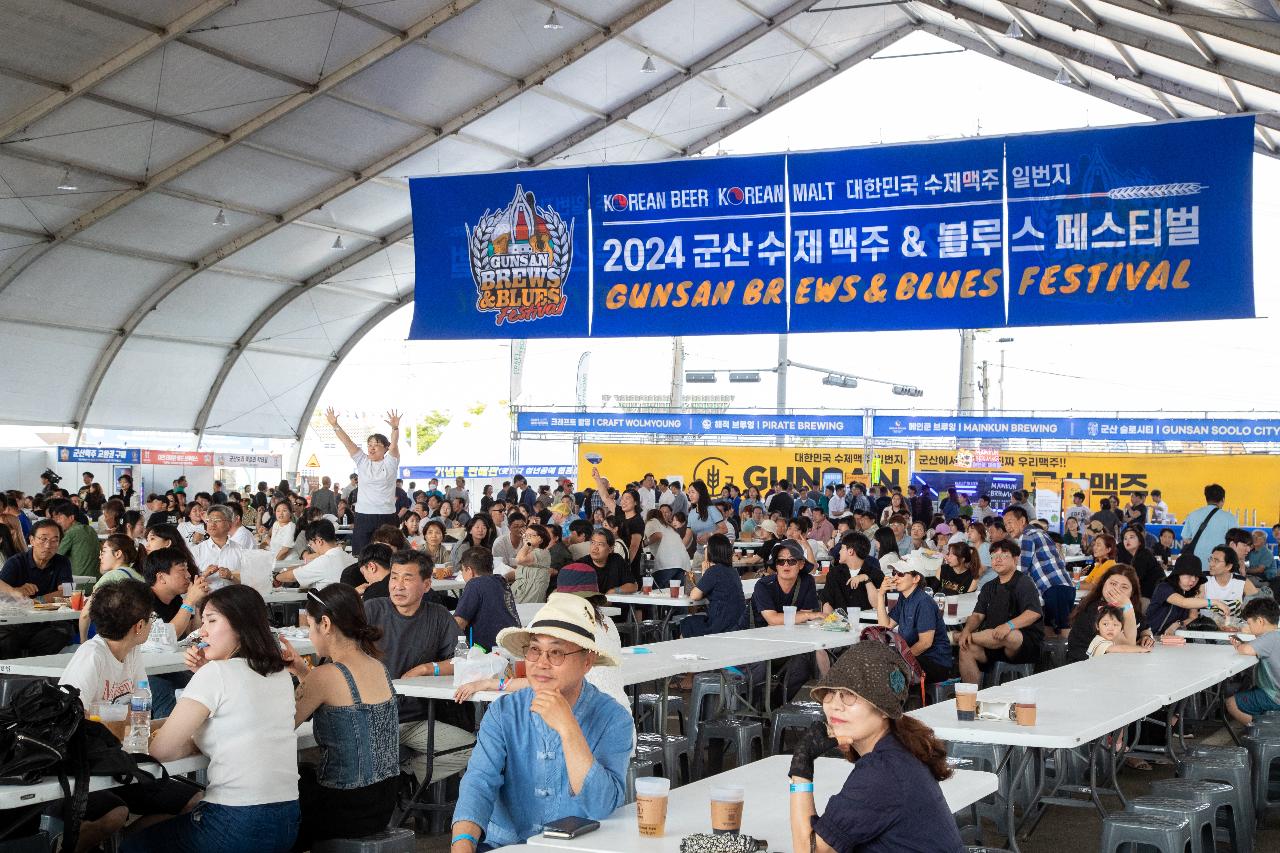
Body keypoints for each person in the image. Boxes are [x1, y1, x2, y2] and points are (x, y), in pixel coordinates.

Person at [123, 586, 298, 853]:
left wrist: (205, 675)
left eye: (212, 620)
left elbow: (162, 750)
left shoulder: (216, 674)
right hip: (288, 819)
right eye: (202, 621)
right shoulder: (280, 674)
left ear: (241, 625)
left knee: (135, 844)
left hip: (235, 820)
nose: (202, 631)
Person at [450, 595, 632, 850]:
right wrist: (463, 842)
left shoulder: (613, 718)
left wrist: (569, 728)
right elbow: (479, 781)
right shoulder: (504, 712)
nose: (541, 663)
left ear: (587, 662)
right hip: (506, 846)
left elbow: (601, 805)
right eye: (534, 650)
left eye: (556, 652)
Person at [787, 642, 963, 853]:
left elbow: (809, 850)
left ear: (883, 710)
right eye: (830, 692)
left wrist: (801, 766)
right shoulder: (897, 749)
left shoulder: (884, 771)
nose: (834, 704)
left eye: (848, 694)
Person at [276, 584, 398, 851]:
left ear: (326, 624)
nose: (309, 635)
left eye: (310, 626)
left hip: (345, 808)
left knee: (276, 799)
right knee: (305, 774)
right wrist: (301, 670)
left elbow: (278, 725)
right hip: (383, 802)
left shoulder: (325, 676)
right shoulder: (378, 667)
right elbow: (335, 694)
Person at [364, 554, 473, 785]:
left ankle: (408, 775)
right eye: (394, 577)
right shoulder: (372, 610)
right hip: (372, 718)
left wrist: (427, 668)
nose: (397, 586)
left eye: (407, 578)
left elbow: (463, 659)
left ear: (426, 584)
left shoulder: (439, 615)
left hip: (416, 720)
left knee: (472, 749)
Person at [957, 539, 1044, 685]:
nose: (997, 559)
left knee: (1010, 635)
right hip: (991, 643)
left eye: (1003, 555)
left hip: (1021, 646)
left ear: (1015, 559)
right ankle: (972, 700)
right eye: (993, 556)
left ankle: (959, 637)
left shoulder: (1024, 582)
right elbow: (977, 615)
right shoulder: (988, 587)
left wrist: (1008, 625)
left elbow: (1033, 612)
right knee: (965, 647)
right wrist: (966, 629)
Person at [754, 540, 823, 702]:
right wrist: (806, 615)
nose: (786, 565)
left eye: (791, 561)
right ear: (776, 565)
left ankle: (775, 707)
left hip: (789, 643)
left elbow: (803, 619)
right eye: (780, 561)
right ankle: (753, 712)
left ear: (800, 564)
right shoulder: (764, 585)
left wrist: (804, 616)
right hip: (757, 645)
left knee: (804, 663)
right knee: (759, 671)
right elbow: (772, 619)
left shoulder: (806, 582)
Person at [868, 553, 953, 685]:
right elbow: (886, 625)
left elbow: (925, 643)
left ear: (916, 578)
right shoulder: (904, 598)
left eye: (901, 574)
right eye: (894, 572)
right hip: (914, 657)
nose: (895, 577)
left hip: (934, 662)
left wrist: (900, 659)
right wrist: (880, 595)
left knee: (884, 670)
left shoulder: (924, 602)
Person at [327, 407, 401, 555]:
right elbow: (348, 442)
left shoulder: (391, 461)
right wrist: (335, 425)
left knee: (389, 555)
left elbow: (394, 443)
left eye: (376, 445)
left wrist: (394, 427)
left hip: (387, 515)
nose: (372, 448)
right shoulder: (362, 461)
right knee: (361, 555)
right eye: (370, 445)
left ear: (385, 448)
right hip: (364, 515)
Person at [0, 518, 74, 656]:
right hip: (17, 621)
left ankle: (35, 671)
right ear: (32, 540)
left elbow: (68, 591)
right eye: (43, 539)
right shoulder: (16, 562)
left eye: (54, 540)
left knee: (60, 634)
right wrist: (15, 591)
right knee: (6, 641)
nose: (48, 545)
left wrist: (37, 601)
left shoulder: (62, 562)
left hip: (48, 622)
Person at [1002, 506, 1073, 637]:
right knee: (1048, 626)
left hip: (1054, 587)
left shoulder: (1027, 535)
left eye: (1010, 522)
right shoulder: (1039, 532)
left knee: (1064, 628)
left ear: (1022, 520)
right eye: (1005, 524)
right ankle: (1053, 657)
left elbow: (1021, 569)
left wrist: (1004, 586)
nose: (1007, 527)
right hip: (1059, 587)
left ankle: (1071, 657)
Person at [1065, 564, 1154, 663]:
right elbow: (1128, 645)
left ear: (1132, 593)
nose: (1117, 590)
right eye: (1113, 584)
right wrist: (1127, 606)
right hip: (1083, 666)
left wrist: (1146, 637)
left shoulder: (1126, 608)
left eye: (1124, 587)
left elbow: (1144, 627)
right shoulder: (1100, 610)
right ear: (1103, 584)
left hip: (1112, 664)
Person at [1225, 597, 1280, 725]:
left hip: (1275, 697)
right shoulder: (1275, 635)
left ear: (1260, 621)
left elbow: (1247, 649)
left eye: (1249, 623)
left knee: (1231, 703)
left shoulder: (1270, 637)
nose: (1248, 627)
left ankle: (1262, 732)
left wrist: (1239, 645)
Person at [454, 547, 520, 651]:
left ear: (469, 570)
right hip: (513, 644)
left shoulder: (474, 584)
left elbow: (458, 624)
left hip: (488, 651)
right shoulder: (500, 580)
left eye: (462, 570)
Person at [680, 533, 747, 637]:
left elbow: (694, 595)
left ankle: (685, 652)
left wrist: (705, 573)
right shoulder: (733, 571)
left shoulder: (714, 571)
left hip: (721, 625)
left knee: (688, 623)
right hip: (738, 623)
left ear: (712, 551)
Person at [275, 520, 354, 590]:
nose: (312, 548)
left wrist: (276, 577)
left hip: (327, 604)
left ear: (319, 541)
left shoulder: (324, 561)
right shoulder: (349, 557)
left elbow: (292, 577)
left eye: (311, 544)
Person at [822, 531, 884, 615]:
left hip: (868, 625)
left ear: (850, 551)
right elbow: (827, 603)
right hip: (840, 625)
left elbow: (878, 605)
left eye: (842, 548)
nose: (839, 552)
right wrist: (829, 623)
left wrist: (867, 579)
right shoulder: (834, 573)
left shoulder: (876, 574)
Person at [1147, 554, 1207, 636]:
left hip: (1171, 641)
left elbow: (1193, 617)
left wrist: (1177, 624)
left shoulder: (1190, 593)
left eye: (1196, 576)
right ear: (1178, 574)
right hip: (1149, 638)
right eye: (1189, 575)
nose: (1193, 579)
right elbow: (1183, 602)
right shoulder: (1164, 587)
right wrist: (1214, 602)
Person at [190, 504, 247, 589]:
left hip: (233, 599)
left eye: (217, 520)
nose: (212, 524)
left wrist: (231, 577)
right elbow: (189, 584)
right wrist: (204, 575)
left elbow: (248, 582)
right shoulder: (196, 551)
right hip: (206, 599)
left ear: (229, 525)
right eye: (209, 520)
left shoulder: (240, 550)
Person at [1202, 544, 1260, 626]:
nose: (1211, 564)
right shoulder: (1203, 579)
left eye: (1216, 561)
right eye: (1211, 559)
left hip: (1234, 630)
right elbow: (1196, 607)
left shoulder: (1242, 582)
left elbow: (1258, 607)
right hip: (1207, 629)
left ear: (1229, 566)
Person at [1181, 483, 1235, 568]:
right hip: (1220, 566)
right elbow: (1235, 542)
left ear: (1206, 499)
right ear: (1223, 499)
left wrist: (1201, 544)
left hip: (1197, 565)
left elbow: (1186, 538)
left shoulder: (1193, 514)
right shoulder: (1230, 517)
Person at [48, 498, 99, 580]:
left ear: (71, 518)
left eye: (59, 518)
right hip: (95, 580)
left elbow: (55, 557)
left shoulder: (71, 533)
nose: (57, 522)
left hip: (78, 583)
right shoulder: (90, 529)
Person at [644, 508, 690, 589]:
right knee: (677, 593)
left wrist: (644, 543)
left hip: (667, 563)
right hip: (682, 563)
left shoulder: (652, 521)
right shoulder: (668, 526)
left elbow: (658, 535)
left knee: (653, 589)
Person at [509, 522, 552, 604]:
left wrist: (528, 544)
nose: (525, 538)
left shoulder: (542, 552)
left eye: (529, 536)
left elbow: (519, 560)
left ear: (540, 539)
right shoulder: (528, 552)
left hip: (530, 596)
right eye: (525, 535)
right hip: (519, 593)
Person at [582, 529, 635, 594]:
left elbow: (633, 586)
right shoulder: (581, 565)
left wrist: (614, 591)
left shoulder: (616, 559)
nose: (595, 548)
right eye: (593, 543)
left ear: (610, 549)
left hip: (613, 602)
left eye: (600, 544)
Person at [1087, 605, 1152, 657]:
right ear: (1097, 626)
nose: (1110, 628)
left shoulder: (1113, 639)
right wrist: (1141, 649)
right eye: (1105, 624)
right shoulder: (1099, 641)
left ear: (1121, 629)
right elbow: (1122, 648)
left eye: (1115, 625)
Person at [1121, 526, 1163, 600]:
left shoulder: (1143, 555)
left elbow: (1134, 580)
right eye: (1125, 538)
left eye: (1131, 537)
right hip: (1150, 595)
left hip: (1152, 598)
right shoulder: (1138, 556)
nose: (1127, 540)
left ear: (1140, 542)